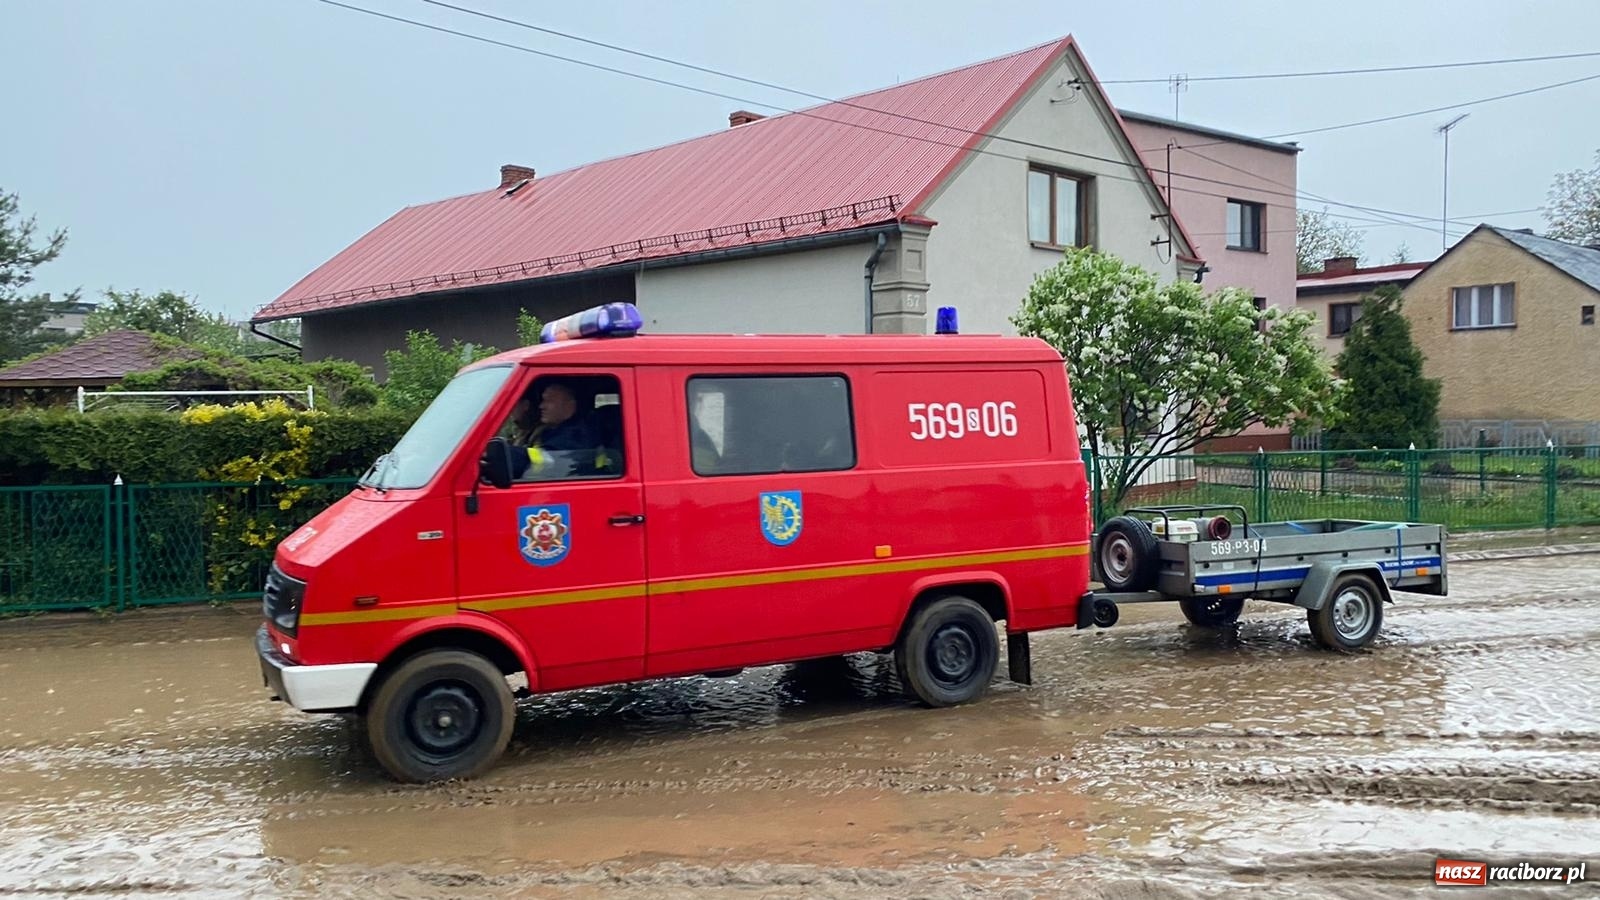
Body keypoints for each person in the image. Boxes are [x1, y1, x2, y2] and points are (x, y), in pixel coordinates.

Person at [509, 381, 602, 479]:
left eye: (549, 400)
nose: (541, 406)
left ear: (570, 404)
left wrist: (506, 455)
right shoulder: (555, 431)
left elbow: (549, 460)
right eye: (543, 401)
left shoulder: (577, 436)